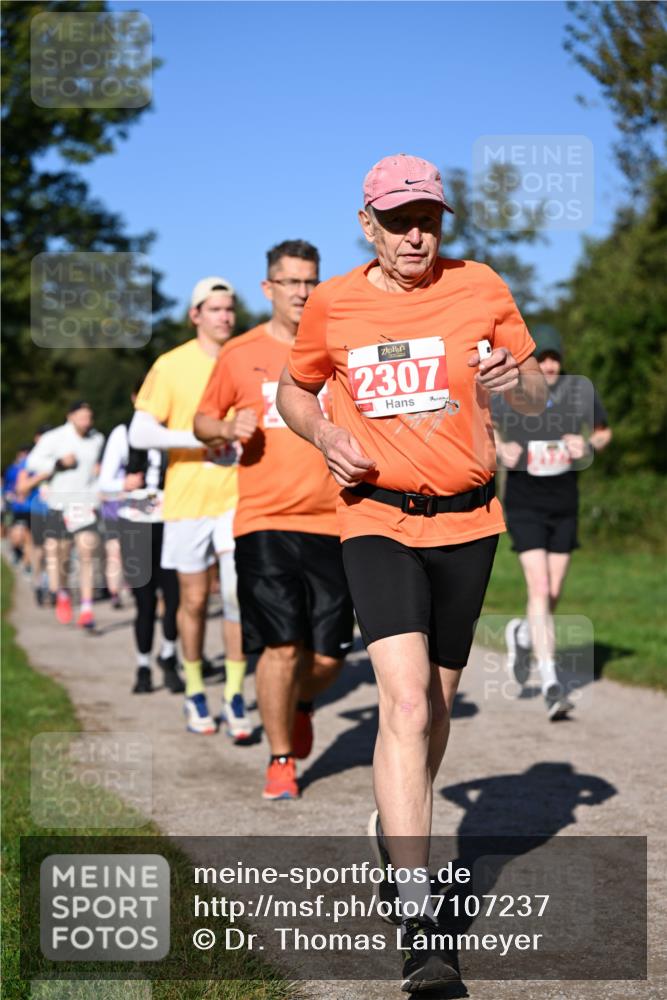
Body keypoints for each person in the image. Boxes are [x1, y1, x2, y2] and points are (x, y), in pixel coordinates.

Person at [276, 154, 547, 991]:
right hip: (375, 518)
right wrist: (324, 437)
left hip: (468, 520)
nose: (413, 233)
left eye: (426, 216)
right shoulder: (335, 301)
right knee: (399, 698)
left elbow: (536, 393)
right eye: (396, 220)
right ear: (367, 225)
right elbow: (296, 390)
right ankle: (420, 916)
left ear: (443, 221)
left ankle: (398, 820)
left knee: (432, 706)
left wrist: (518, 382)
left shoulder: (481, 286)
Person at [194, 240, 354, 801]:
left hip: (337, 519)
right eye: (291, 283)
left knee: (329, 658)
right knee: (282, 645)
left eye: (311, 281)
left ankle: (301, 701)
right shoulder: (239, 353)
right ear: (269, 289)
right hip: (264, 520)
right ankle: (281, 758)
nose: (303, 293)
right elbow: (202, 419)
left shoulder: (340, 352)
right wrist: (224, 431)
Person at [129, 277, 248, 739]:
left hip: (239, 499)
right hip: (187, 500)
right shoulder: (170, 364)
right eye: (215, 309)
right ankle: (195, 689)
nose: (225, 317)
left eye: (230, 309)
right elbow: (141, 433)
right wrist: (205, 435)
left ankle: (235, 697)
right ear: (195, 314)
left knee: (238, 600)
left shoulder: (244, 359)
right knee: (193, 602)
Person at [492, 324, 612, 719]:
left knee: (554, 589)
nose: (547, 365)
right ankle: (550, 682)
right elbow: (483, 425)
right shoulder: (512, 394)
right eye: (540, 358)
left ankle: (522, 634)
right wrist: (500, 447)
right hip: (525, 500)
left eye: (554, 358)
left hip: (564, 500)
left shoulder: (578, 393)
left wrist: (588, 444)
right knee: (540, 585)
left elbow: (603, 431)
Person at [99, 383, 183, 695]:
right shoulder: (122, 434)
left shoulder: (176, 430)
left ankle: (169, 657)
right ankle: (143, 666)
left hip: (172, 522)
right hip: (135, 523)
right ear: (136, 399)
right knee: (145, 601)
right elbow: (104, 484)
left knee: (175, 599)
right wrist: (125, 482)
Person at [25, 401, 104, 629]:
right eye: (81, 417)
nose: (86, 422)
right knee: (60, 555)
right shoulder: (55, 437)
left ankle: (87, 610)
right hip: (59, 503)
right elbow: (32, 462)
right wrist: (58, 463)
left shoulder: (97, 440)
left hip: (85, 504)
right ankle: (62, 593)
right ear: (70, 417)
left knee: (87, 551)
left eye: (89, 417)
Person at [16, 425, 53, 605]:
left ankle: (53, 584)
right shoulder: (29, 461)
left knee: (55, 549)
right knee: (39, 549)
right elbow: (20, 487)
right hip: (37, 510)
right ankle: (40, 581)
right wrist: (41, 477)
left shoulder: (59, 456)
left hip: (58, 510)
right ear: (36, 439)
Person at [3, 445, 32, 569]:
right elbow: (7, 486)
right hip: (17, 506)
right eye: (23, 453)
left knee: (28, 535)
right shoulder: (12, 469)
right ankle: (16, 551)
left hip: (30, 506)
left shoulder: (34, 468)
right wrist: (8, 495)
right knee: (18, 534)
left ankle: (27, 562)